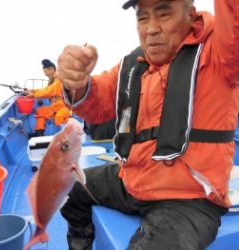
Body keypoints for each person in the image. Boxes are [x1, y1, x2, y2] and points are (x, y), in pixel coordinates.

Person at [57, 0, 239, 249]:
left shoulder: (221, 52)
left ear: (191, 15)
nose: (151, 28)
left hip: (188, 199)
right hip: (130, 181)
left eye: (164, 14)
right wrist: (76, 82)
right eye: (143, 18)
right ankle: (81, 243)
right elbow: (96, 104)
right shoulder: (132, 64)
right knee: (67, 188)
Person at [27, 59, 72, 137]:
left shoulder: (59, 80)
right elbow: (46, 89)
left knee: (59, 118)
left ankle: (69, 135)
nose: (44, 74)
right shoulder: (53, 80)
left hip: (64, 106)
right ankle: (39, 133)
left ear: (51, 69)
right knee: (40, 111)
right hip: (55, 106)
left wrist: (33, 94)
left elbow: (48, 91)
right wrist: (33, 91)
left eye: (45, 71)